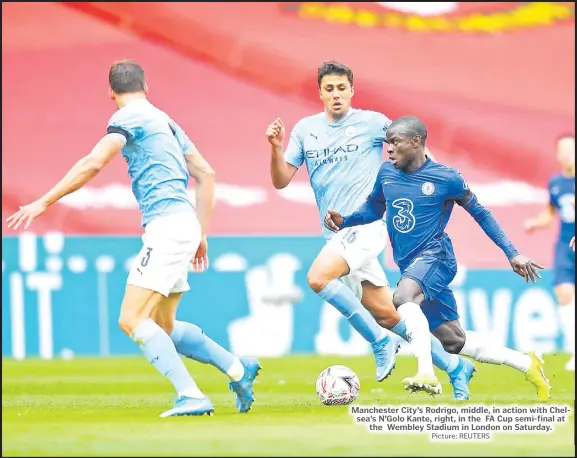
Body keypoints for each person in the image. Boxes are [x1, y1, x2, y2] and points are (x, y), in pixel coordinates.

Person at [6, 60, 261, 417]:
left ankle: (191, 395)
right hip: (183, 223)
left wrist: (44, 201)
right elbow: (206, 173)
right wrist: (199, 230)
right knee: (163, 326)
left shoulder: (126, 120)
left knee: (131, 319)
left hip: (167, 227)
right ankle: (237, 368)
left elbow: (93, 163)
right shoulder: (166, 121)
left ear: (111, 92)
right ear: (146, 87)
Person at [266, 61, 475, 399]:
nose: (336, 94)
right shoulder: (305, 130)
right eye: (329, 89)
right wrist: (276, 149)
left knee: (318, 278)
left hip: (368, 226)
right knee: (388, 315)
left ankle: (379, 344)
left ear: (351, 91)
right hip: (338, 235)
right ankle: (455, 367)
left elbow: (418, 155)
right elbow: (280, 181)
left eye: (341, 88)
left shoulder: (374, 122)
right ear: (320, 92)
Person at [324, 115, 551, 401]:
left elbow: (481, 213)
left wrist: (513, 253)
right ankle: (526, 364)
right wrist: (345, 221)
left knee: (402, 298)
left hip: (437, 257)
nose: (389, 149)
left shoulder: (447, 178)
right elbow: (373, 209)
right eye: (387, 144)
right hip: (411, 265)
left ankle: (426, 373)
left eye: (395, 142)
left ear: (416, 141)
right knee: (452, 340)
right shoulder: (387, 174)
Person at [525, 134, 575, 371]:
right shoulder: (555, 182)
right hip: (565, 245)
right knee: (564, 294)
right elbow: (551, 211)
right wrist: (536, 223)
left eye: (570, 149)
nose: (566, 154)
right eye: (562, 150)